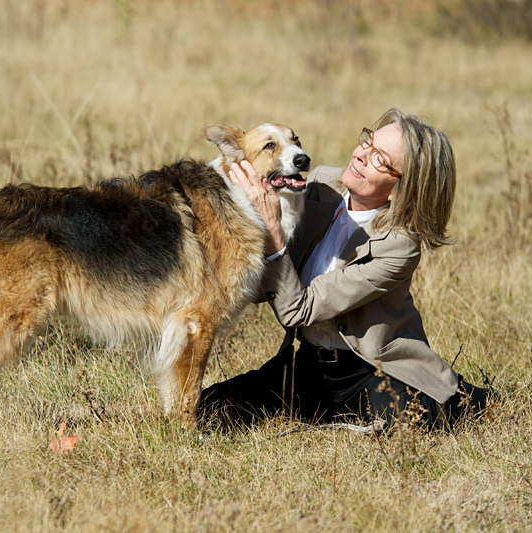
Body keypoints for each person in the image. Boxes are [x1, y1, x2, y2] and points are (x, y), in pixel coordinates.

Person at [198, 108, 493, 430]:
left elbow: (298, 310)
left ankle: (469, 401)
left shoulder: (398, 246)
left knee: (406, 425)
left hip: (373, 370)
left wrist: (270, 230)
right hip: (309, 366)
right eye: (368, 142)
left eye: (380, 159)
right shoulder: (318, 186)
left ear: (400, 189)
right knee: (209, 408)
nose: (361, 155)